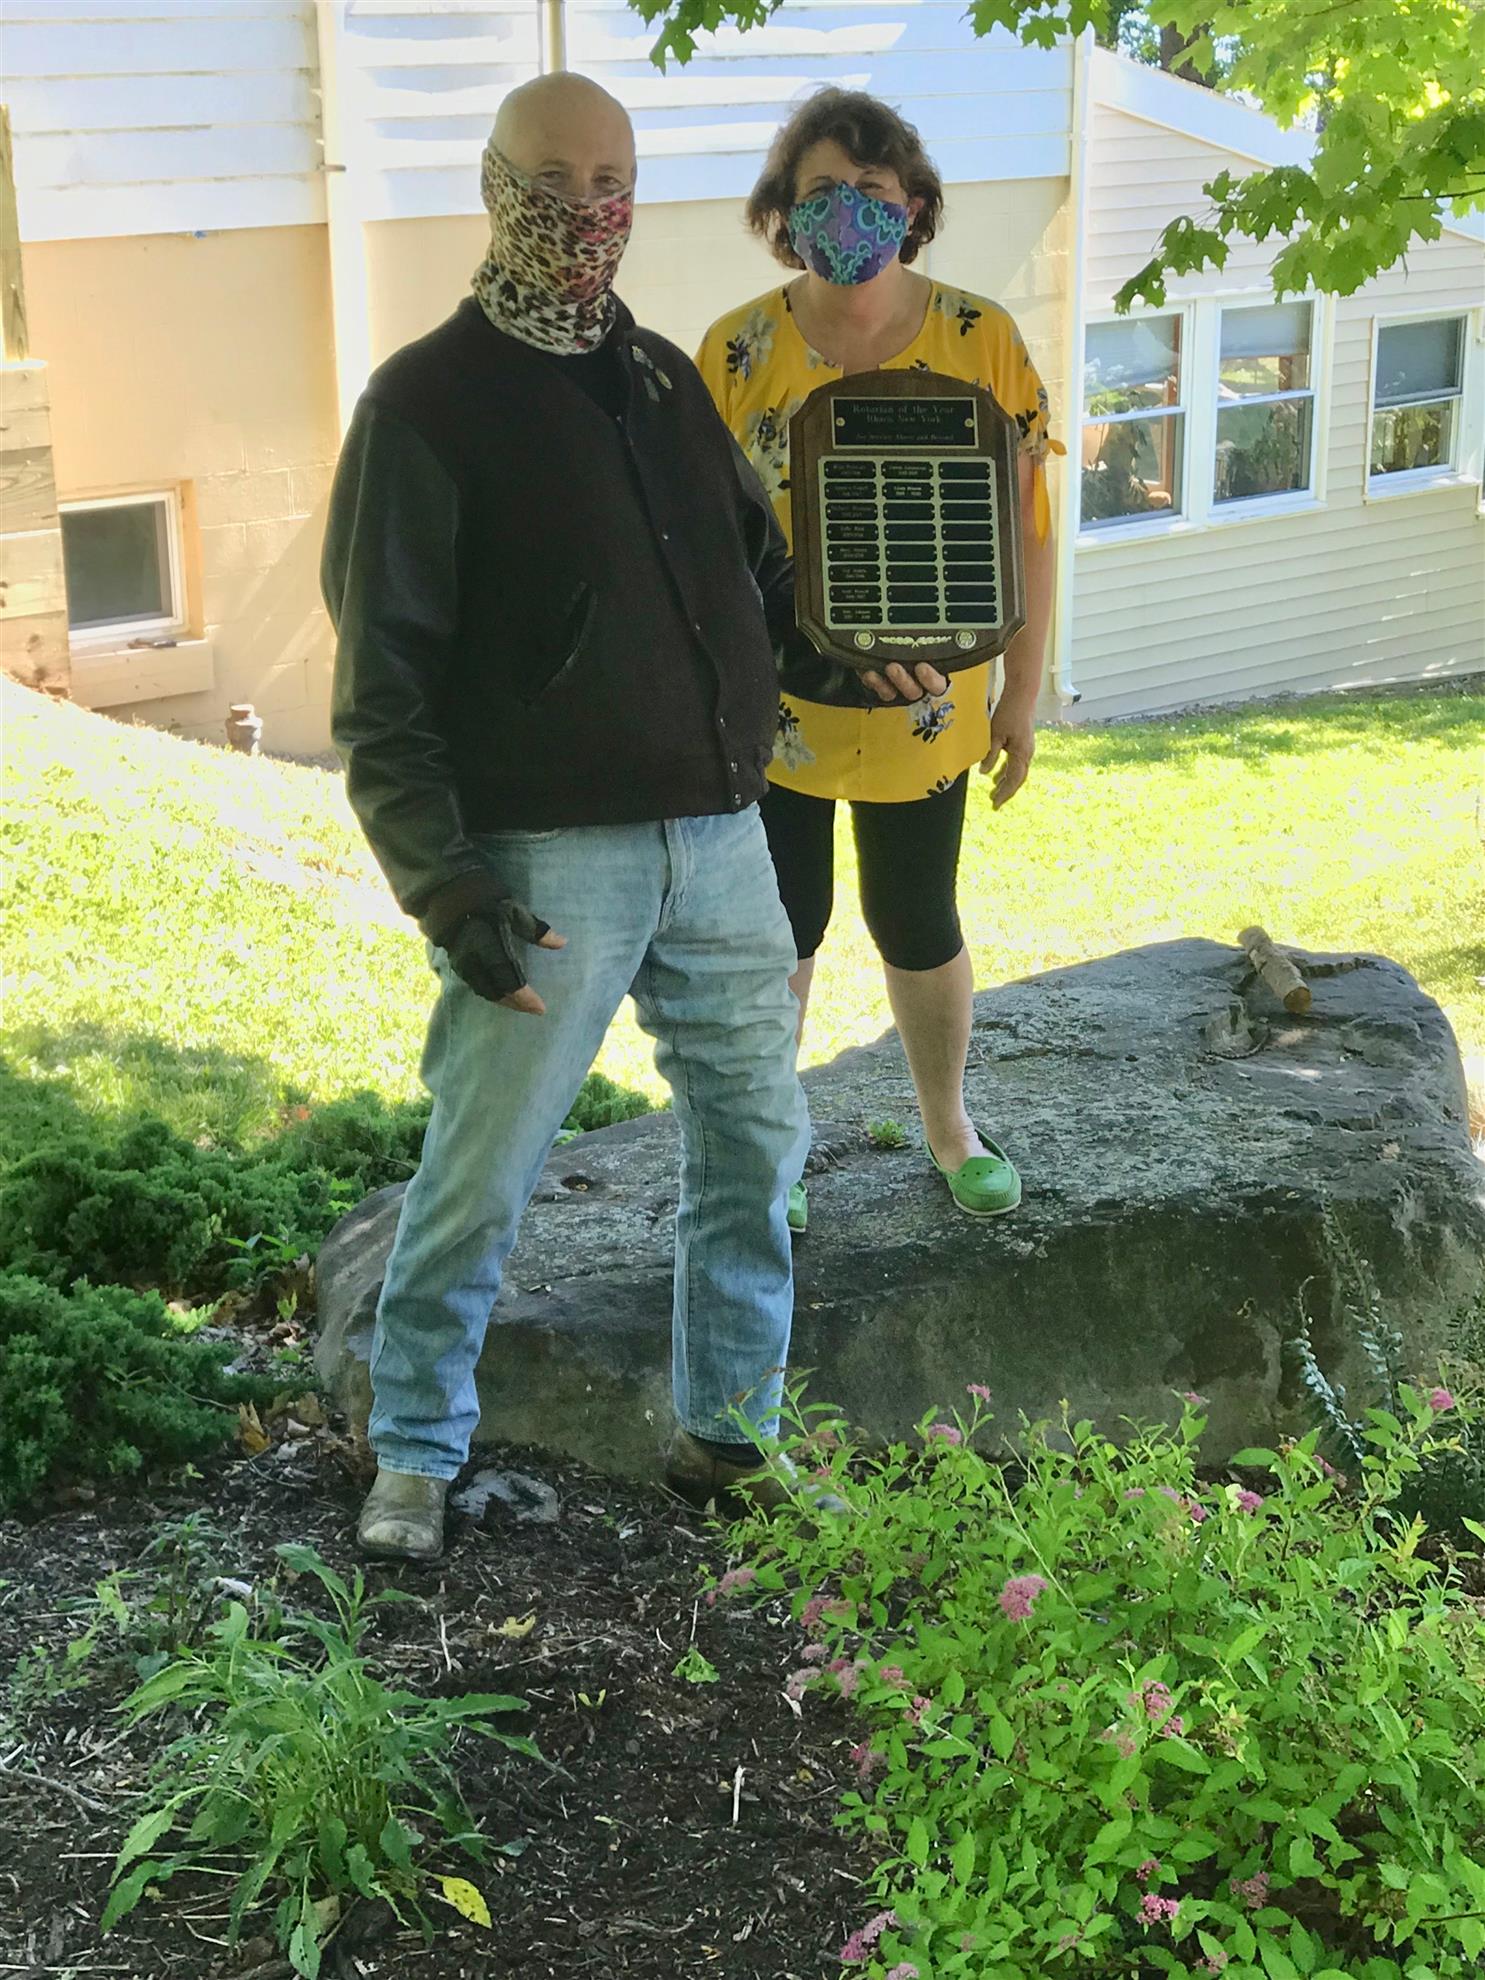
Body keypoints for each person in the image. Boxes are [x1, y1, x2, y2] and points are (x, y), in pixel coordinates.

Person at [322, 74, 932, 1561]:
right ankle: (412, 1454)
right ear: (494, 185)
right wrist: (448, 889)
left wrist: (839, 652)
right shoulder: (424, 404)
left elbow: (752, 582)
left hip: (722, 843)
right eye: (554, 179)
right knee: (482, 1169)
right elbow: (381, 689)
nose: (587, 210)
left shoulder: (660, 375)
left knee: (756, 1143)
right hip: (546, 865)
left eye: (613, 181)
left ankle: (728, 1436)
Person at [697, 88, 1059, 1230]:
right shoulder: (736, 352)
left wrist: (1021, 694)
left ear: (913, 205)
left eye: (871, 189)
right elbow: (698, 546)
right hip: (779, 712)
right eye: (820, 192)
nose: (846, 210)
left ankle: (950, 1127)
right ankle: (775, 1153)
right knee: (783, 930)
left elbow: (1028, 529)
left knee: (916, 918)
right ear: (782, 210)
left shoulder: (981, 340)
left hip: (929, 706)